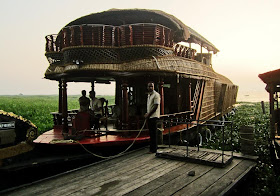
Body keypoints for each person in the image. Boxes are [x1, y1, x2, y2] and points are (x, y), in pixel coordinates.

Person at [144, 82, 161, 153]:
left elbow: (155, 106)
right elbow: (150, 106)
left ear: (154, 87)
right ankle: (152, 148)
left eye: (152, 86)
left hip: (154, 116)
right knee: (151, 133)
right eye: (149, 86)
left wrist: (149, 114)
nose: (150, 87)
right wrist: (147, 114)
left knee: (153, 134)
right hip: (150, 117)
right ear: (147, 87)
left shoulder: (156, 95)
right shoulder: (149, 95)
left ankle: (153, 149)